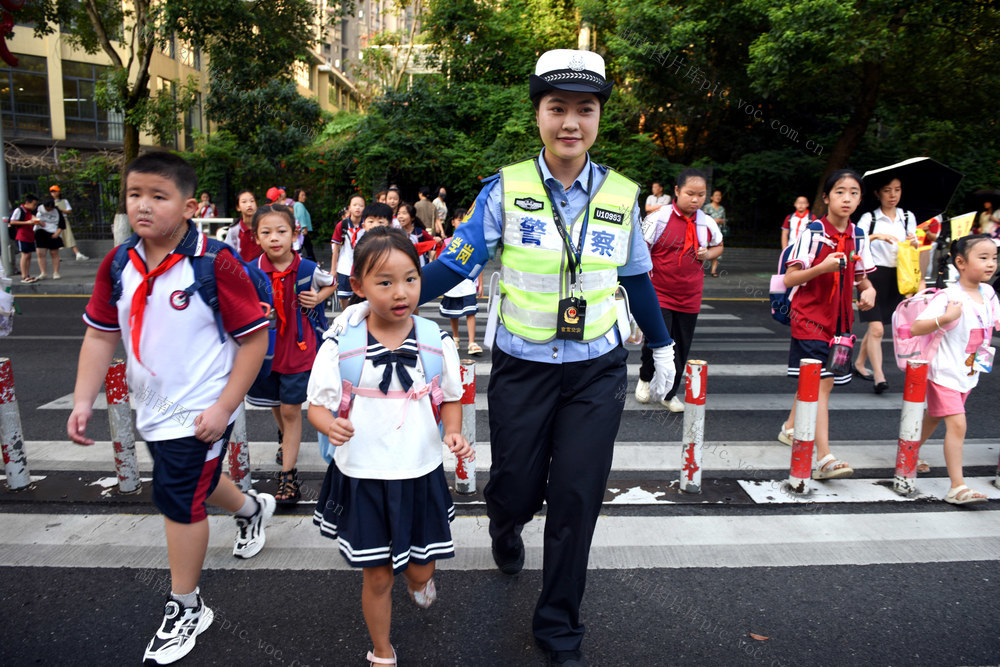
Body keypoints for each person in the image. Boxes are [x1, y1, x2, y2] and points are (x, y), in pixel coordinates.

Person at [362, 49, 676, 665]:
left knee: (578, 497)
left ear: (598, 119)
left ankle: (558, 627)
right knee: (516, 485)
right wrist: (382, 302)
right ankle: (505, 524)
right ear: (537, 114)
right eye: (556, 108)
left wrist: (662, 345)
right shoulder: (506, 189)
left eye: (584, 110)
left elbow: (636, 277)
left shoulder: (620, 193)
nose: (570, 123)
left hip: (596, 368)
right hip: (522, 366)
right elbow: (455, 261)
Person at [66, 152, 276, 664]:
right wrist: (82, 399)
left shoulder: (212, 263)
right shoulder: (119, 264)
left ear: (188, 206)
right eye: (135, 194)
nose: (143, 205)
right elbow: (100, 334)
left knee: (179, 498)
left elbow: (254, 340)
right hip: (152, 410)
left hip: (201, 411)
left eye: (158, 196)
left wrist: (223, 408)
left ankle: (187, 604)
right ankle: (251, 509)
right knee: (192, 481)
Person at [307, 227, 473, 666]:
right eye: (384, 282)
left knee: (421, 568)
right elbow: (317, 406)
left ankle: (420, 582)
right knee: (377, 576)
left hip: (419, 472)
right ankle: (381, 651)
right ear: (357, 286)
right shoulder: (341, 344)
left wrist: (452, 432)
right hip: (362, 476)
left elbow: (451, 395)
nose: (401, 293)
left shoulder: (435, 341)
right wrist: (330, 425)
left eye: (411, 279)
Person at [778, 169, 876, 476]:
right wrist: (822, 267)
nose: (847, 198)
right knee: (822, 384)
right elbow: (790, 277)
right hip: (808, 318)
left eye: (854, 193)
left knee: (819, 382)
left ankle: (789, 427)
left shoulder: (858, 236)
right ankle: (824, 457)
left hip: (841, 325)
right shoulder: (812, 232)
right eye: (840, 192)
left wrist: (869, 290)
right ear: (826, 197)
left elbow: (862, 278)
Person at [247, 204, 336, 503]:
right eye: (266, 232)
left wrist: (318, 296)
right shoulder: (252, 269)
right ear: (256, 237)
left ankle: (288, 477)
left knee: (290, 409)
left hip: (299, 349)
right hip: (266, 352)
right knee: (277, 404)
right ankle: (285, 438)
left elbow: (331, 282)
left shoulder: (308, 268)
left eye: (281, 231)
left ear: (295, 234)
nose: (275, 238)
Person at [912, 234, 998, 504]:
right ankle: (957, 486)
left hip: (970, 371)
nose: (991, 264)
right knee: (957, 424)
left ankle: (908, 453)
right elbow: (916, 327)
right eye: (983, 258)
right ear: (960, 263)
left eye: (994, 258)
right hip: (944, 372)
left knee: (934, 418)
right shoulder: (948, 296)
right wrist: (945, 318)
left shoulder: (989, 293)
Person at [636, 169, 724, 411]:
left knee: (681, 346)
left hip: (690, 296)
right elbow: (641, 250)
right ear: (676, 191)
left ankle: (668, 393)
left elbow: (719, 246)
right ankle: (645, 378)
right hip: (659, 293)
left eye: (701, 195)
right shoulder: (659, 218)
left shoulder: (706, 222)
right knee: (657, 340)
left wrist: (708, 254)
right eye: (690, 194)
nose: (695, 199)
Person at [854, 176, 918, 393]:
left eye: (897, 190)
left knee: (877, 326)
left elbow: (913, 249)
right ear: (877, 193)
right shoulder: (869, 218)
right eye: (887, 190)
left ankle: (859, 364)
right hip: (871, 275)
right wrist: (875, 236)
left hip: (897, 275)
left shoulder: (908, 217)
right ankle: (879, 377)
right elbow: (857, 241)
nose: (893, 195)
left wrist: (915, 243)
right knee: (877, 328)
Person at [439, 208, 483, 355]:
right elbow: (441, 262)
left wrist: (481, 283)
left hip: (467, 282)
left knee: (471, 311)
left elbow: (479, 262)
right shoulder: (447, 242)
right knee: (453, 312)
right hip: (452, 282)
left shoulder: (473, 241)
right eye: (459, 219)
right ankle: (455, 337)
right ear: (452, 222)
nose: (462, 222)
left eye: (465, 219)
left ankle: (472, 342)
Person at [331, 194, 366, 309]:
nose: (358, 208)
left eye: (361, 205)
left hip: (362, 266)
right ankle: (346, 314)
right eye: (355, 205)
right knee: (343, 296)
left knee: (361, 295)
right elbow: (336, 247)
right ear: (349, 208)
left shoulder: (367, 225)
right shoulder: (343, 225)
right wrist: (333, 269)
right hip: (345, 265)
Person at [49, 185, 89, 260]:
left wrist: (61, 210)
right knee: (56, 237)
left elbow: (69, 211)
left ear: (59, 192)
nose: (53, 193)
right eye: (52, 192)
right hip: (54, 221)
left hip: (63, 219)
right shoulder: (49, 202)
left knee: (69, 235)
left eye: (55, 191)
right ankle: (56, 256)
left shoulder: (64, 201)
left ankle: (77, 253)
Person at [223, 190, 263, 262]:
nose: (249, 205)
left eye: (252, 201)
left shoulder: (264, 227)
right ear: (238, 207)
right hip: (241, 269)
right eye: (244, 202)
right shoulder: (234, 230)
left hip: (261, 270)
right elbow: (228, 253)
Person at [8, 194, 39, 283]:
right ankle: (24, 276)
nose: (35, 206)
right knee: (25, 255)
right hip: (21, 235)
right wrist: (27, 222)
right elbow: (13, 221)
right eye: (34, 204)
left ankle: (27, 274)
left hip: (29, 235)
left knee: (28, 255)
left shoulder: (29, 212)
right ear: (27, 203)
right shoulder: (19, 210)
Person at [34, 197, 64, 279]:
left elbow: (62, 224)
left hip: (53, 232)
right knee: (41, 253)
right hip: (41, 232)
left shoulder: (57, 211)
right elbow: (31, 215)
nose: (48, 210)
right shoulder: (38, 208)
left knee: (54, 253)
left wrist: (57, 233)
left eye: (50, 208)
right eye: (47, 208)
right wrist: (38, 221)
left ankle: (56, 272)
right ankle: (43, 272)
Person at [397, 201, 435, 266]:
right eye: (398, 213)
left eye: (404, 213)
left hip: (420, 265)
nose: (400, 216)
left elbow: (433, 244)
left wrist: (431, 259)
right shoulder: (397, 233)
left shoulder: (420, 232)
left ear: (412, 217)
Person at [703, 189, 727, 277]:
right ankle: (702, 270)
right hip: (708, 231)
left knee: (717, 248)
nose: (718, 197)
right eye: (716, 195)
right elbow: (704, 218)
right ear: (712, 197)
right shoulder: (707, 207)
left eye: (719, 195)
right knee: (705, 249)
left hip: (718, 231)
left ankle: (713, 270)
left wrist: (721, 221)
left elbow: (724, 219)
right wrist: (714, 220)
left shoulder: (722, 209)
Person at [292, 188, 316, 260]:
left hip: (299, 229)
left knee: (303, 246)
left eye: (304, 195)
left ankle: (311, 261)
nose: (304, 197)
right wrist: (304, 227)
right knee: (307, 247)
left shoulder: (296, 204)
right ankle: (313, 262)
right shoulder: (299, 205)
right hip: (302, 230)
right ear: (297, 196)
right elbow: (301, 216)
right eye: (302, 195)